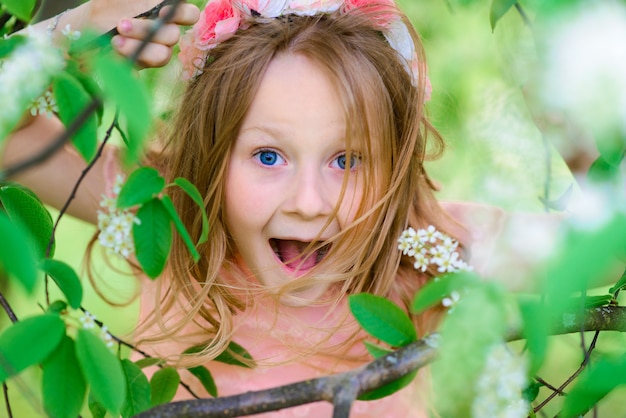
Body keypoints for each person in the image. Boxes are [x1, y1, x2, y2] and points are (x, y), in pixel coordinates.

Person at [1, 0, 564, 416]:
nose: (309, 203)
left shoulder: (427, 250)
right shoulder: (171, 221)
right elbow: (10, 140)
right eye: (268, 156)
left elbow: (608, 245)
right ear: (212, 157)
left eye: (347, 160)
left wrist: (592, 136)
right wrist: (70, 35)